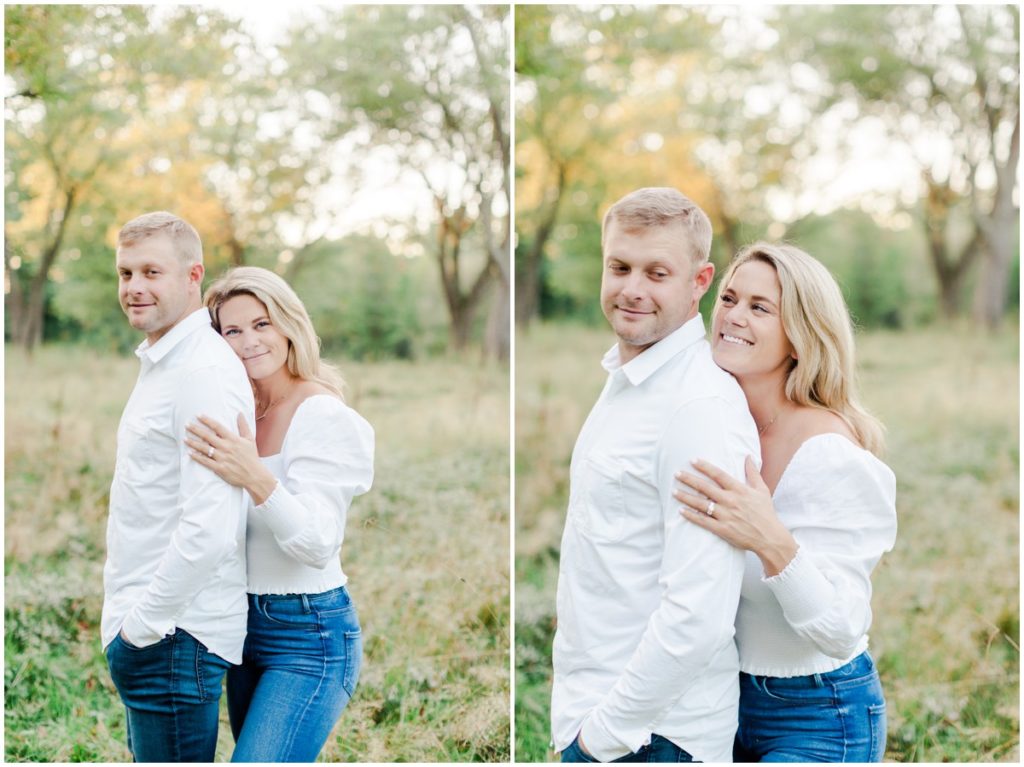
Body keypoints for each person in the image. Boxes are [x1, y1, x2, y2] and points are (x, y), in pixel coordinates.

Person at [552, 188, 761, 763]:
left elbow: (700, 611)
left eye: (657, 272)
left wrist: (603, 737)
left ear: (700, 282)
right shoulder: (630, 378)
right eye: (619, 266)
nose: (632, 289)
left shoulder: (697, 408)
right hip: (604, 716)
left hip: (652, 736)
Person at [673, 242, 897, 762]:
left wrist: (769, 538)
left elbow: (841, 628)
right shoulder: (725, 426)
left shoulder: (829, 452)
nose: (732, 316)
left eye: (759, 307)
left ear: (799, 334)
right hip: (722, 701)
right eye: (729, 298)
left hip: (818, 713)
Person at [182, 266, 374, 762]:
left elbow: (317, 543)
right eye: (233, 330)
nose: (248, 342)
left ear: (289, 325)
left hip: (308, 633)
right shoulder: (234, 408)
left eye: (262, 324)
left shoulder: (321, 413)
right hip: (239, 627)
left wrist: (255, 475)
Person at [102, 211, 255, 762]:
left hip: (173, 636)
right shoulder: (165, 362)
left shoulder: (199, 371)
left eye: (151, 272)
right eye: (125, 274)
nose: (134, 287)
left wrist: (142, 628)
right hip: (158, 632)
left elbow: (210, 524)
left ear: (193, 276)